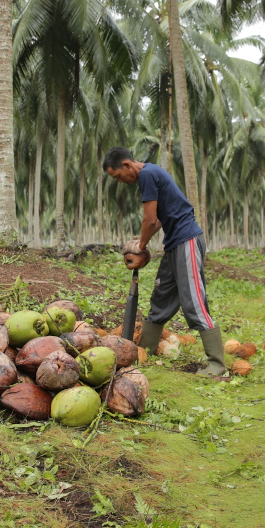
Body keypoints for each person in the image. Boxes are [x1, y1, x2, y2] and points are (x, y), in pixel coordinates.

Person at [103, 147, 226, 377]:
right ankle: (145, 351)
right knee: (161, 296)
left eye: (118, 176)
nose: (120, 181)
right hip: (174, 243)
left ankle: (217, 364)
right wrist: (143, 241)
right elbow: (160, 219)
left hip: (187, 239)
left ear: (128, 165)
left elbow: (150, 220)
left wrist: (140, 247)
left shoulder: (147, 175)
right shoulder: (149, 175)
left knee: (194, 300)